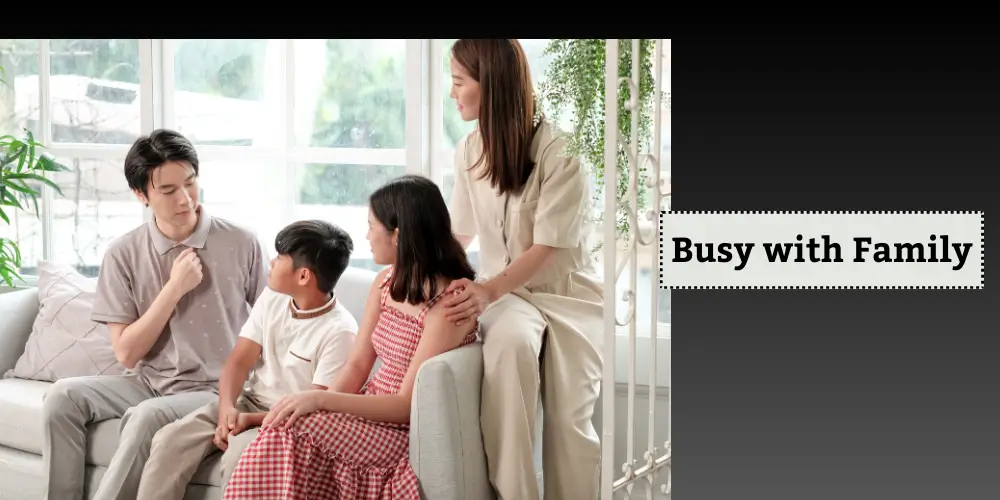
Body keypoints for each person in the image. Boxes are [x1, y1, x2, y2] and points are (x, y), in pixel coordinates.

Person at [41, 129, 269, 500]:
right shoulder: (123, 253)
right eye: (168, 191)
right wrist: (174, 288)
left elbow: (273, 328)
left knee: (147, 416)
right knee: (62, 397)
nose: (185, 199)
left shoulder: (243, 242)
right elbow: (127, 354)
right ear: (140, 195)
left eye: (191, 183)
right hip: (148, 381)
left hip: (216, 387)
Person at [223, 174, 479, 500]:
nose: (367, 236)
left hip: (400, 430)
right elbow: (358, 365)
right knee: (287, 427)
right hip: (364, 412)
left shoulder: (448, 307)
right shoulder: (386, 282)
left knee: (292, 432)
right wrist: (316, 408)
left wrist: (320, 400)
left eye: (372, 226)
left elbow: (405, 407)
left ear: (398, 235)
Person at [442, 39, 605, 500]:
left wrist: (487, 291)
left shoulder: (561, 152)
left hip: (568, 296)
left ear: (489, 86)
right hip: (511, 298)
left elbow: (548, 247)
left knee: (569, 424)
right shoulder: (469, 150)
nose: (451, 93)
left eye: (458, 82)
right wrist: (425, 278)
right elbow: (460, 235)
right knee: (508, 345)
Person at [135, 220, 360, 499]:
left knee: (239, 456)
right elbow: (239, 360)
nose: (271, 263)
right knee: (169, 440)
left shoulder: (340, 332)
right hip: (247, 403)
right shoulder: (273, 297)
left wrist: (248, 421)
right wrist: (228, 408)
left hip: (289, 424)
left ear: (303, 276)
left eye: (279, 258)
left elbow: (316, 411)